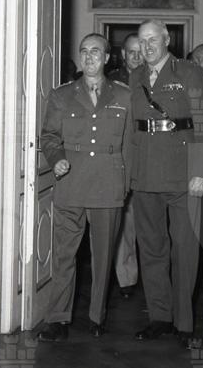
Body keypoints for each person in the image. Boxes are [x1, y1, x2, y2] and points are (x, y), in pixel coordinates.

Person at [38, 33, 132, 342]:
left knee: (103, 256)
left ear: (107, 58)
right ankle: (57, 319)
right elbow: (49, 136)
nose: (89, 56)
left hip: (108, 183)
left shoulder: (124, 96)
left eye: (95, 51)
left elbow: (130, 144)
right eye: (84, 51)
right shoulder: (62, 94)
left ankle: (96, 316)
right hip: (72, 182)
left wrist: (125, 183)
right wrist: (57, 160)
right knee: (64, 255)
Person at [129, 20, 203, 349]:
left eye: (153, 39)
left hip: (183, 174)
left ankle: (184, 322)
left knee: (185, 249)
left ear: (167, 40)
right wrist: (129, 173)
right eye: (142, 41)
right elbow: (131, 129)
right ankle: (159, 318)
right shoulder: (135, 76)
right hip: (145, 172)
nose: (147, 46)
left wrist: (200, 172)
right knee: (151, 249)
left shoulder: (189, 72)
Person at [107, 33, 143, 298]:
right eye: (132, 52)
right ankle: (126, 280)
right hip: (119, 160)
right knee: (124, 225)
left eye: (141, 51)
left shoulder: (156, 79)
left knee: (149, 226)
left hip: (148, 159)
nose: (137, 57)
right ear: (123, 55)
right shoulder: (110, 82)